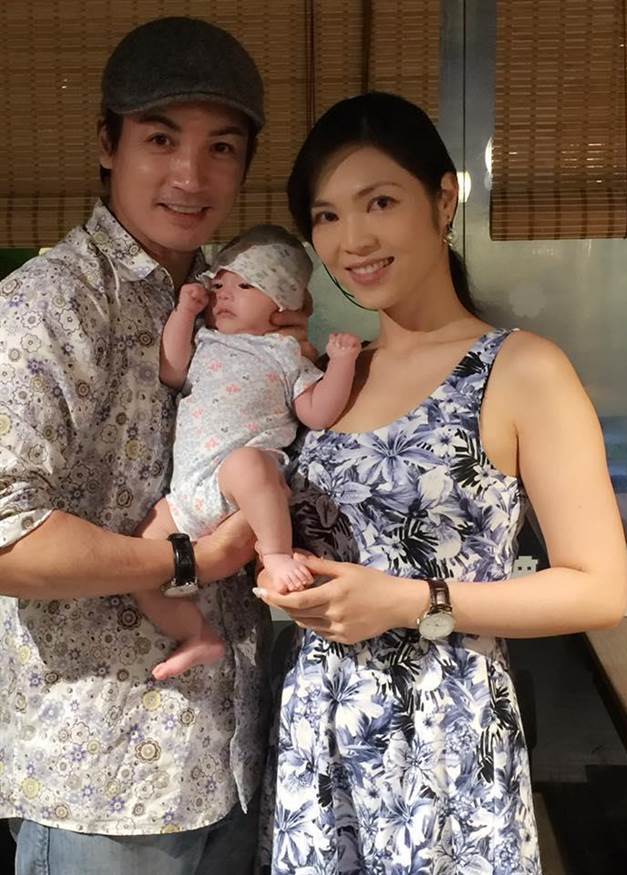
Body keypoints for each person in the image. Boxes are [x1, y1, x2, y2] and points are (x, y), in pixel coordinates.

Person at [254, 92, 627, 873]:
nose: (353, 239)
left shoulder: (521, 369)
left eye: (380, 202)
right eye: (326, 216)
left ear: (444, 199)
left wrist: (411, 601)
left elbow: (597, 588)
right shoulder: (328, 376)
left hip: (444, 742)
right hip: (318, 733)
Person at [0, 16, 309, 875]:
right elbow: (7, 536)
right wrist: (190, 559)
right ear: (108, 143)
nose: (190, 175)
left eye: (221, 148)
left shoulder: (227, 303)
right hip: (103, 783)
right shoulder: (49, 302)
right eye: (162, 139)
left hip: (230, 757)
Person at [136, 224, 360, 680]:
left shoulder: (285, 353)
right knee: (139, 562)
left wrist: (341, 364)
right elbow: (171, 369)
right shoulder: (205, 339)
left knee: (247, 465)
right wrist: (184, 312)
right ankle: (196, 634)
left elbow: (317, 412)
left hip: (248, 478)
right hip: (189, 491)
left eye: (244, 286)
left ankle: (275, 554)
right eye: (219, 285)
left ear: (282, 305)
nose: (224, 295)